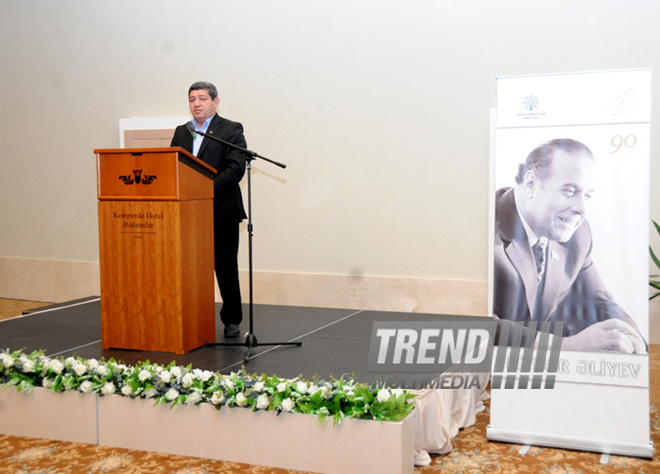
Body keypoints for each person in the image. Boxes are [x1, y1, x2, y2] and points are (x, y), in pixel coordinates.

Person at [493, 138, 646, 353]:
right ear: (530, 183)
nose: (581, 209)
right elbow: (471, 321)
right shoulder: (481, 225)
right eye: (569, 191)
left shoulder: (578, 235)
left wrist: (631, 339)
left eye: (588, 195)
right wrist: (563, 346)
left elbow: (598, 303)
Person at [171, 81, 246, 338]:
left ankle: (232, 319)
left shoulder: (230, 129)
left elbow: (235, 168)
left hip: (221, 210)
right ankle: (192, 314)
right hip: (189, 213)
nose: (196, 104)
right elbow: (173, 167)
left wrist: (205, 190)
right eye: (192, 99)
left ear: (215, 101)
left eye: (202, 99)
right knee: (190, 265)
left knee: (225, 266)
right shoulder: (182, 132)